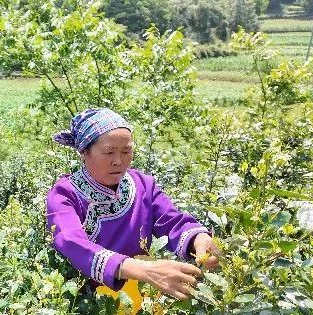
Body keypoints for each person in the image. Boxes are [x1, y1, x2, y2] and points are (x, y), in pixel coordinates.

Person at [46, 108, 221, 300]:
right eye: (109, 152)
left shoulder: (143, 185)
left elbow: (172, 221)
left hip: (141, 296)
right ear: (84, 151)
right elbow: (72, 243)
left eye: (126, 151)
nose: (118, 161)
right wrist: (144, 270)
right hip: (88, 305)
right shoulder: (65, 194)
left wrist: (199, 239)